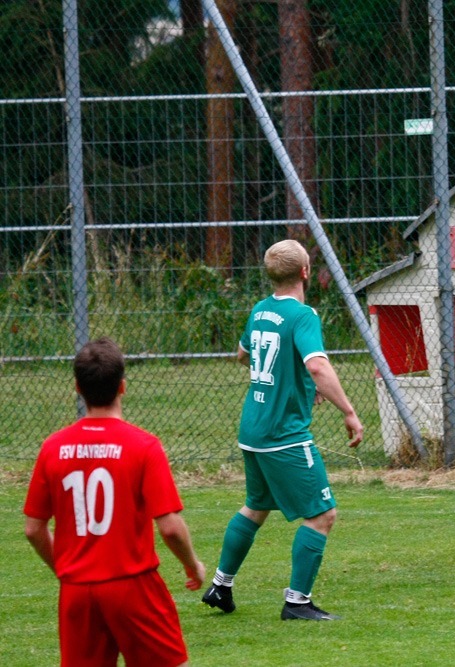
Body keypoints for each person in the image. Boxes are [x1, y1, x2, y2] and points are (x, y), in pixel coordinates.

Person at [201, 239, 363, 621]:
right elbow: (318, 367)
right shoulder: (302, 315)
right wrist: (349, 411)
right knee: (323, 514)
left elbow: (244, 356)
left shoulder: (260, 310)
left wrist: (287, 383)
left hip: (252, 429)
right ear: (305, 272)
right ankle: (298, 602)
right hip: (282, 436)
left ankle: (221, 586)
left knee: (256, 506)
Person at [23, 336, 205, 667]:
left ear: (77, 388)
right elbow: (170, 527)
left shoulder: (53, 447)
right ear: (123, 386)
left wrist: (67, 572)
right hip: (133, 586)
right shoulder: (144, 447)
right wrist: (193, 565)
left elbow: (34, 529)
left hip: (78, 592)